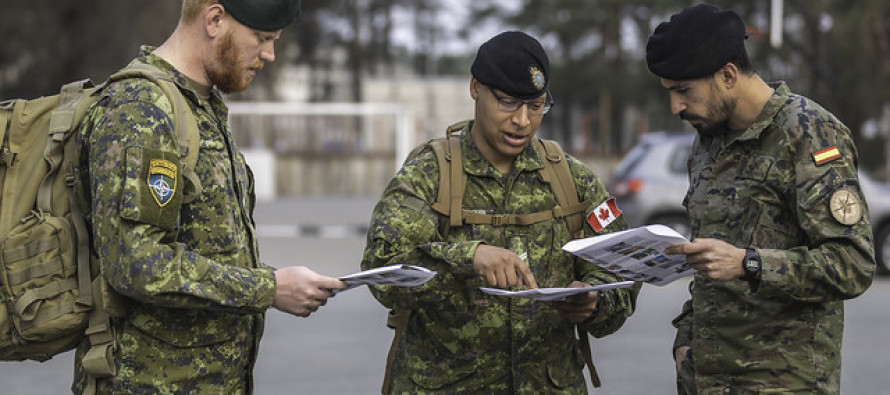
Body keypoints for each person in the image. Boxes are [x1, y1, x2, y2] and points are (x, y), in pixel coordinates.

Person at [73, 0, 346, 393]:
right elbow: (138, 262)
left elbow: (207, 247)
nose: (269, 54)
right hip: (147, 383)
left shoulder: (199, 104)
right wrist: (268, 289)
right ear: (215, 20)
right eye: (263, 38)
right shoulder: (142, 110)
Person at [361, 31, 641, 394]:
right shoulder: (429, 174)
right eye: (508, 102)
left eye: (536, 106)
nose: (523, 120)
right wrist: (468, 258)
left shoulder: (573, 179)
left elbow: (623, 270)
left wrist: (595, 301)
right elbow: (382, 273)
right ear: (476, 87)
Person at [645, 4, 876, 394]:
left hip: (783, 382)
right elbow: (710, 268)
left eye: (684, 91)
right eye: (669, 92)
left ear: (728, 75)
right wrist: (686, 338)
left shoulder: (808, 132)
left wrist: (748, 263)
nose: (675, 108)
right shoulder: (708, 143)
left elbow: (852, 263)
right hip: (707, 380)